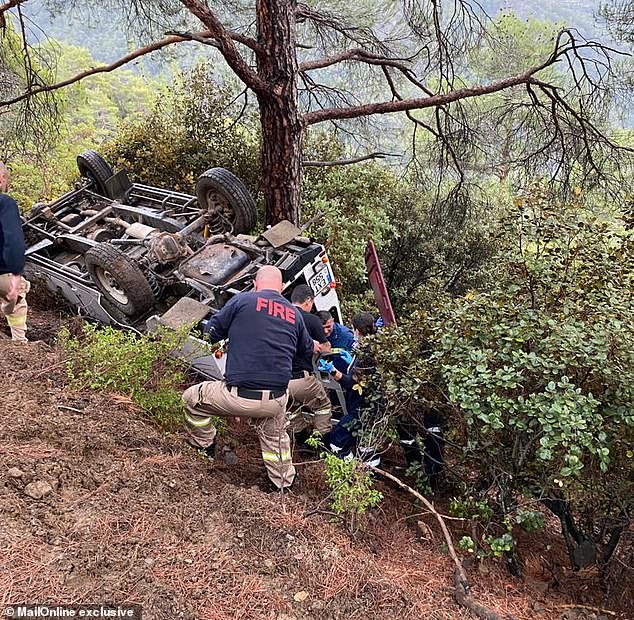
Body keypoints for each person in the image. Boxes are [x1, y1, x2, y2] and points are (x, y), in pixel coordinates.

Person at [182, 266, 313, 492]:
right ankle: (284, 485)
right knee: (276, 439)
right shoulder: (295, 316)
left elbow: (211, 332)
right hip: (276, 400)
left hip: (237, 397)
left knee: (191, 399)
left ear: (255, 284)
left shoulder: (242, 301)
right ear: (281, 288)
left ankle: (204, 446)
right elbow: (306, 350)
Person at [321, 311, 383, 466]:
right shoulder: (375, 346)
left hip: (362, 407)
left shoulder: (366, 353)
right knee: (367, 446)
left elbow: (354, 384)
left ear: (356, 330)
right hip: (374, 407)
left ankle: (351, 471)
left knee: (337, 443)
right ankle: (372, 477)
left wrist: (334, 372)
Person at [287, 284, 332, 444]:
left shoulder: (280, 316)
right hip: (301, 379)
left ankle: (300, 438)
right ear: (307, 301)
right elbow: (325, 348)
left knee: (291, 409)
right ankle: (319, 441)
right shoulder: (311, 320)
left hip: (279, 381)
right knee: (323, 405)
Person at [0, 162, 30, 343]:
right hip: (1, 273)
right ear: (2, 178)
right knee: (18, 296)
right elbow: (13, 240)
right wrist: (16, 273)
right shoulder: (4, 202)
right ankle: (19, 344)